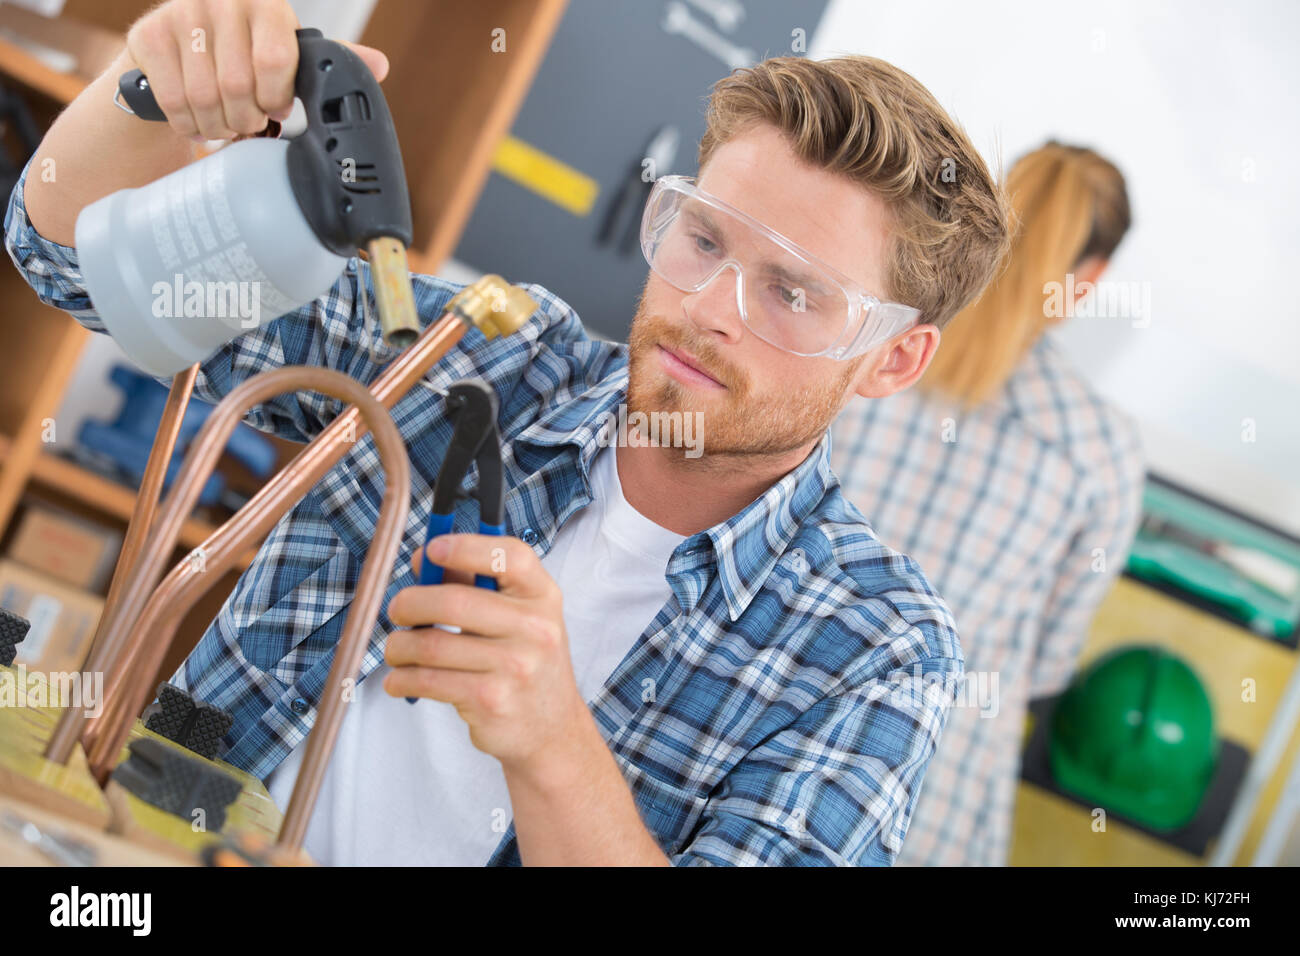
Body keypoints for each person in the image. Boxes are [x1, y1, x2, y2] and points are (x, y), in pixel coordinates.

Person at [5, 0, 1011, 865]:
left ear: (892, 360)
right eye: (702, 238)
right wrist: (154, 81)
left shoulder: (879, 650)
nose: (712, 306)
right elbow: (65, 255)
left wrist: (550, 742)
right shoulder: (480, 352)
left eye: (792, 291)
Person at [830, 141, 1146, 866]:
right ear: (1088, 279)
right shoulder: (1099, 451)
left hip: (757, 741)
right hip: (928, 802)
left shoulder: (868, 343)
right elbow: (1046, 664)